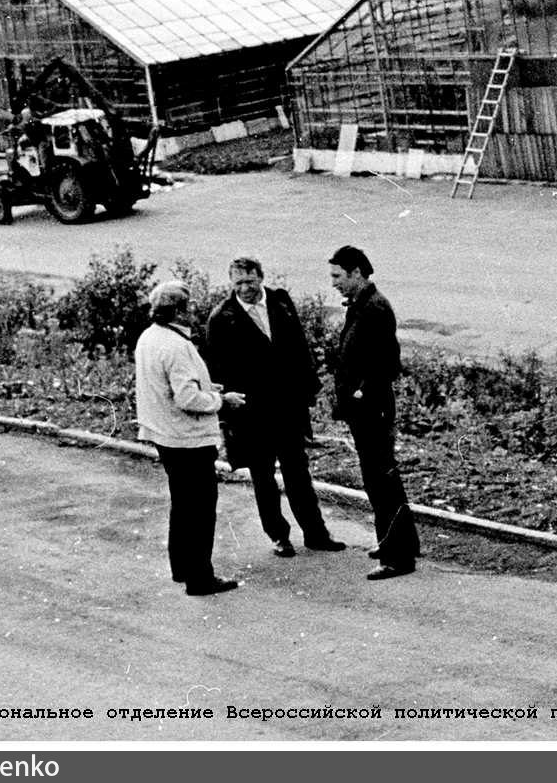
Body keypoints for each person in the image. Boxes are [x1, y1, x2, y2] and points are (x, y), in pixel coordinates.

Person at [203, 257, 346, 559]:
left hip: (288, 407)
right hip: (252, 413)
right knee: (263, 477)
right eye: (238, 283)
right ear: (231, 284)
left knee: (298, 472)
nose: (245, 289)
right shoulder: (221, 318)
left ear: (261, 279)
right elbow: (215, 370)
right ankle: (279, 536)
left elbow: (299, 347)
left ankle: (316, 533)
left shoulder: (280, 302)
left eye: (250, 282)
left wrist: (308, 390)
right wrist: (227, 408)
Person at [133, 280, 246, 596]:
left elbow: (171, 388)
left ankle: (182, 567)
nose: (195, 310)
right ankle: (200, 578)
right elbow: (187, 398)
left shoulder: (149, 337)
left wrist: (208, 391)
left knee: (182, 503)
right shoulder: (177, 345)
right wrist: (222, 401)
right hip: (188, 438)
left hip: (165, 435)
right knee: (199, 507)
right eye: (190, 305)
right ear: (179, 310)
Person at [327, 245, 421, 581]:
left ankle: (399, 558)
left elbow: (388, 362)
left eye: (338, 276)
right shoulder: (363, 304)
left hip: (371, 408)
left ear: (356, 272)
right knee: (377, 479)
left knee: (382, 481)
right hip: (365, 408)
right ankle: (394, 543)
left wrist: (362, 391)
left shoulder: (374, 308)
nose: (334, 283)